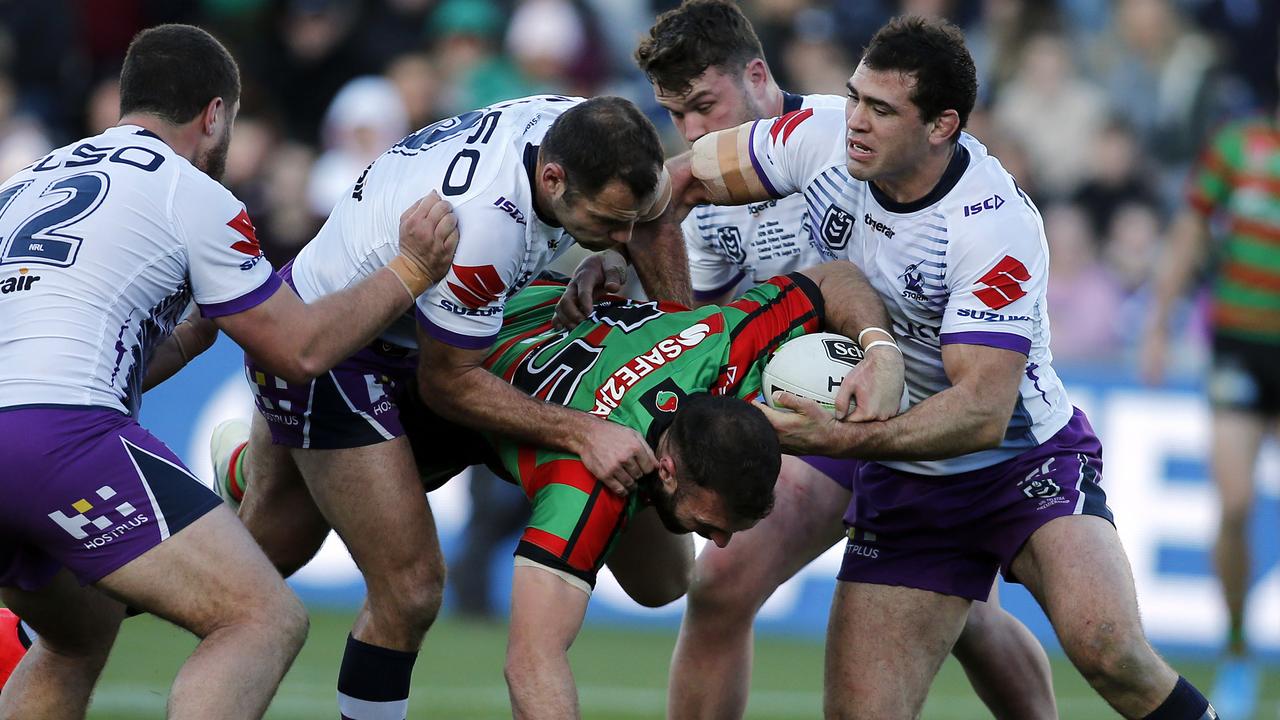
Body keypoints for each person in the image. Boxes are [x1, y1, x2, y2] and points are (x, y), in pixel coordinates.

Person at [595, 15, 1216, 720]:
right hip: (892, 454)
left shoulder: (992, 227)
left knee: (1108, 649)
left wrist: (841, 440)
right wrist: (608, 249)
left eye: (880, 110)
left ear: (940, 126)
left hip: (1016, 458)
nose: (854, 121)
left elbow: (981, 412)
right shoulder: (819, 140)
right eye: (855, 97)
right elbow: (674, 185)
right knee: (883, 662)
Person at [220, 256, 907, 719]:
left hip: (556, 333)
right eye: (715, 521)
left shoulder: (730, 337)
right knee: (317, 548)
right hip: (455, 385)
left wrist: (879, 348)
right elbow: (531, 661)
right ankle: (246, 469)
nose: (722, 539)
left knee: (669, 582)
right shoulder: (590, 481)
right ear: (667, 469)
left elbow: (835, 277)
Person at [0, 24, 457, 719]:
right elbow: (299, 351)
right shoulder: (192, 191)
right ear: (215, 114)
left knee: (75, 634)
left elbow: (57, 348)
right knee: (261, 619)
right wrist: (412, 269)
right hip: (61, 441)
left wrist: (198, 332)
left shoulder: (29, 180)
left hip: (23, 427)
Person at [210, 94, 684, 720]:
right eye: (608, 222)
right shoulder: (483, 225)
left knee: (272, 544)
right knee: (408, 589)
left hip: (400, 319)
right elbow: (448, 384)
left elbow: (652, 215)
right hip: (338, 344)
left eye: (630, 221)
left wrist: (676, 330)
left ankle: (243, 473)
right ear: (553, 179)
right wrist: (583, 431)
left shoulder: (583, 133)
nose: (625, 240)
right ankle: (103, 584)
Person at [1140, 99, 1280, 718]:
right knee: (1236, 502)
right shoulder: (1237, 146)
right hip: (1241, 346)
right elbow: (1191, 230)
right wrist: (1159, 324)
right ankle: (1237, 648)